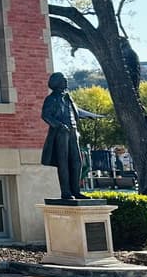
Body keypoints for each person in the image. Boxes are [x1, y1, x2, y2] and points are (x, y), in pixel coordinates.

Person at [40, 72, 103, 200]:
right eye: (63, 80)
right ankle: (66, 192)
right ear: (56, 82)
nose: (66, 81)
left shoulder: (69, 98)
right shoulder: (51, 99)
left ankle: (76, 190)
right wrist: (58, 125)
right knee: (63, 163)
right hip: (61, 134)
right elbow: (45, 115)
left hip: (74, 133)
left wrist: (91, 115)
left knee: (77, 162)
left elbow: (76, 112)